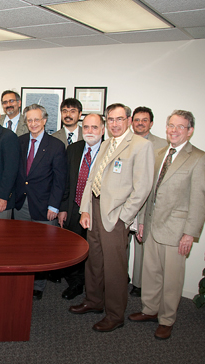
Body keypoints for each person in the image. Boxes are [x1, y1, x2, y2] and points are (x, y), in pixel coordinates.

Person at [69, 103, 154, 333]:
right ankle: (94, 301)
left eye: (119, 119)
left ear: (128, 120)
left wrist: (124, 217)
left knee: (115, 268)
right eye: (111, 119)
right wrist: (85, 210)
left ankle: (115, 314)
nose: (115, 124)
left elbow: (142, 188)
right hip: (95, 211)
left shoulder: (140, 146)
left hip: (115, 216)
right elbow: (90, 179)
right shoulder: (106, 143)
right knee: (93, 260)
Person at [129, 110, 205, 340]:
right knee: (151, 273)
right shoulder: (160, 153)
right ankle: (150, 310)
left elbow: (199, 200)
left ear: (190, 131)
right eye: (171, 125)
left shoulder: (199, 158)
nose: (173, 130)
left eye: (180, 126)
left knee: (172, 279)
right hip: (151, 226)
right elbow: (149, 193)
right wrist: (141, 222)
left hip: (176, 230)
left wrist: (189, 234)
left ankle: (167, 319)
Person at [14, 104, 67, 300]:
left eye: (37, 119)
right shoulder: (19, 142)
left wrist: (54, 206)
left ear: (45, 121)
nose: (33, 123)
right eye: (29, 120)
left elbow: (60, 180)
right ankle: (21, 281)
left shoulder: (56, 146)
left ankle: (38, 285)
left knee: (41, 249)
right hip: (21, 204)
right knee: (21, 247)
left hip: (45, 206)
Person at [58, 114, 105, 300]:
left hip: (98, 211)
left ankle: (94, 288)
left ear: (102, 130)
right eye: (86, 127)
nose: (90, 131)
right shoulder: (73, 149)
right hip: (73, 208)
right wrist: (63, 208)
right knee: (74, 249)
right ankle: (76, 283)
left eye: (94, 127)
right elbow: (65, 182)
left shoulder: (109, 151)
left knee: (95, 251)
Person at [129, 106, 168, 297]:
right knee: (121, 245)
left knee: (142, 245)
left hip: (146, 202)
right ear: (131, 122)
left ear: (151, 123)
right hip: (125, 202)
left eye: (144, 120)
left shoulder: (161, 145)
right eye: (137, 119)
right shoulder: (123, 142)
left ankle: (139, 283)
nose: (140, 123)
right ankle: (122, 279)